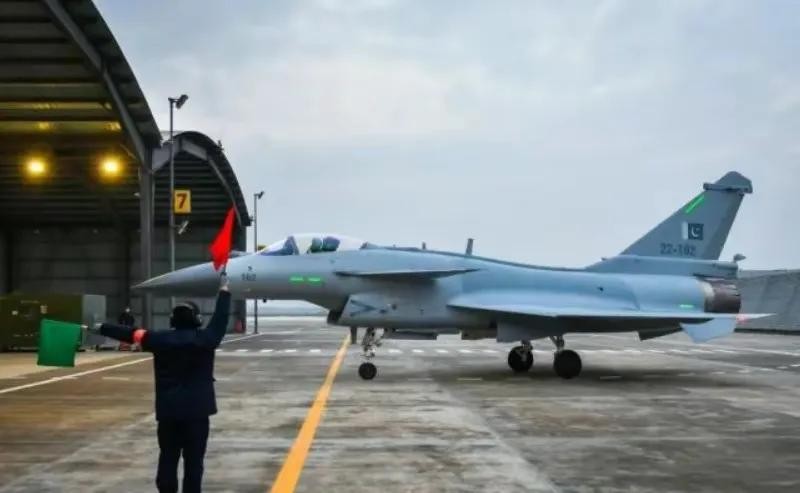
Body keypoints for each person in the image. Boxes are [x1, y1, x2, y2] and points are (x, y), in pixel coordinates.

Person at [96, 273, 231, 493]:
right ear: (197, 320)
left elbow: (131, 334)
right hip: (197, 413)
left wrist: (102, 327)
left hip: (169, 413)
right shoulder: (206, 339)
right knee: (194, 462)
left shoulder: (158, 339)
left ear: (172, 320)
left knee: (168, 458)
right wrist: (224, 292)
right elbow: (220, 319)